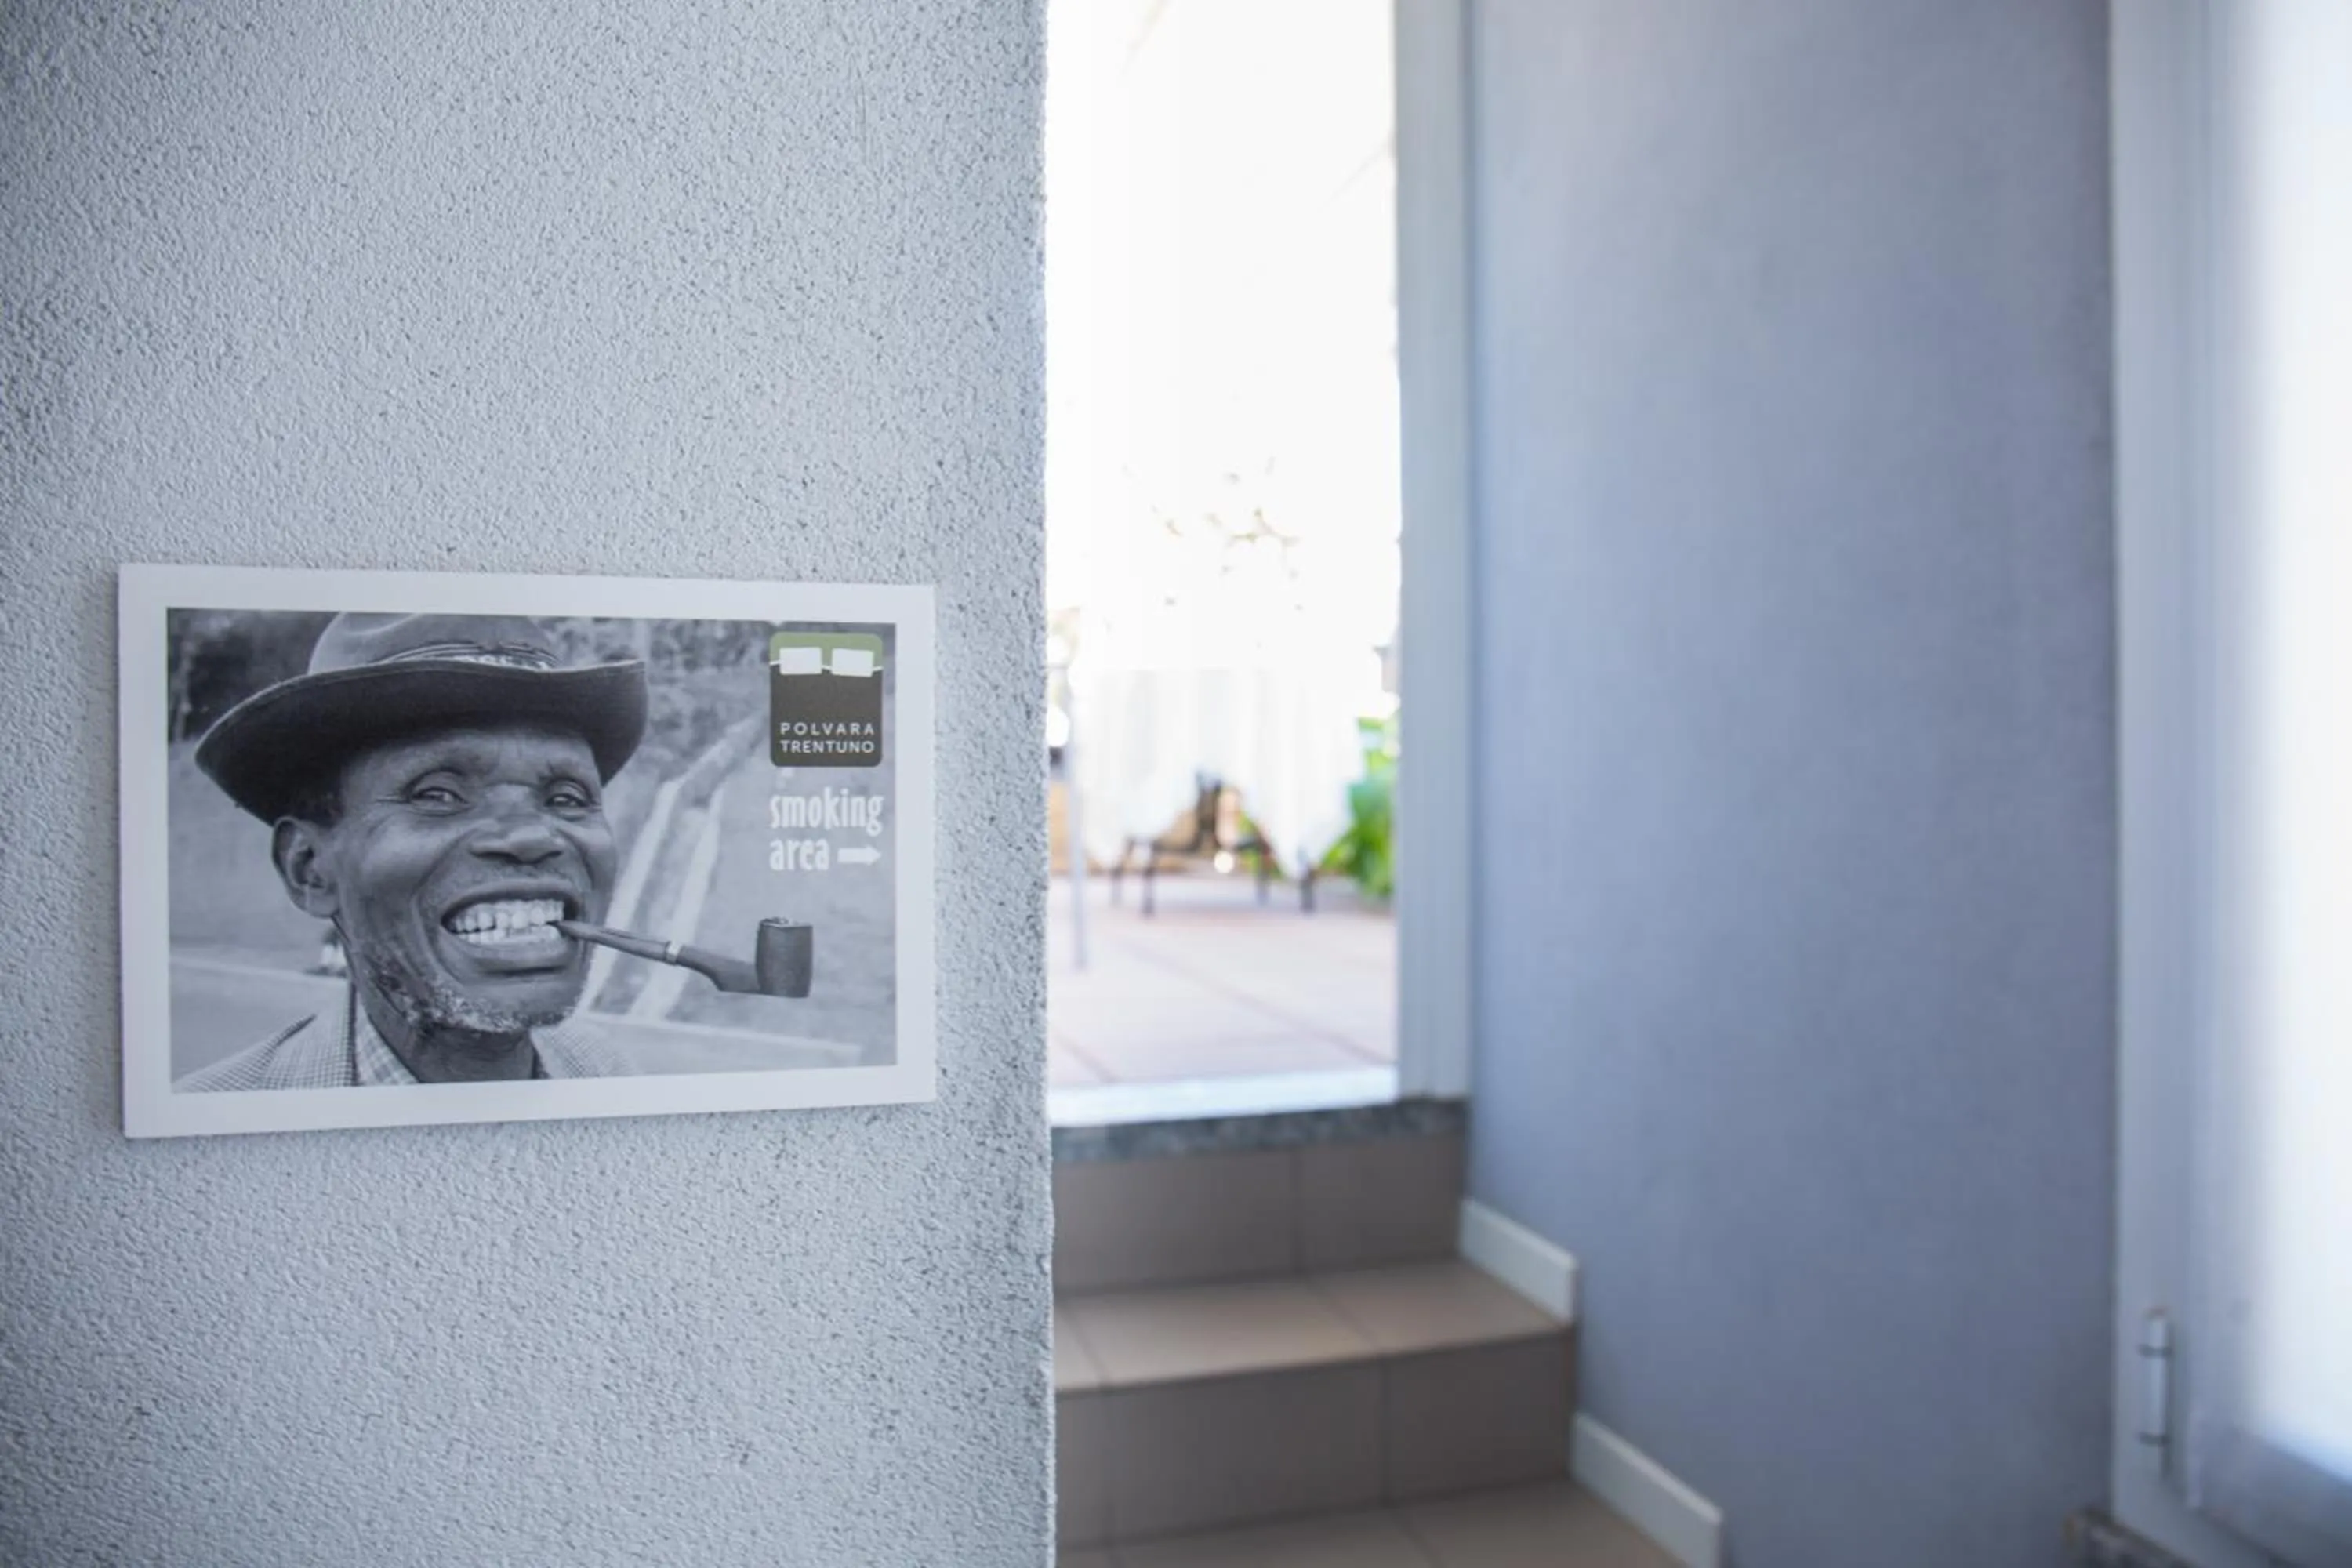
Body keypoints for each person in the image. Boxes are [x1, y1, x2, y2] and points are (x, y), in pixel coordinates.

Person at [176, 612, 649, 1090]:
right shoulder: (204, 1126)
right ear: (309, 869)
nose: (531, 838)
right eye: (436, 795)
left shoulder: (608, 1075)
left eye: (566, 799)